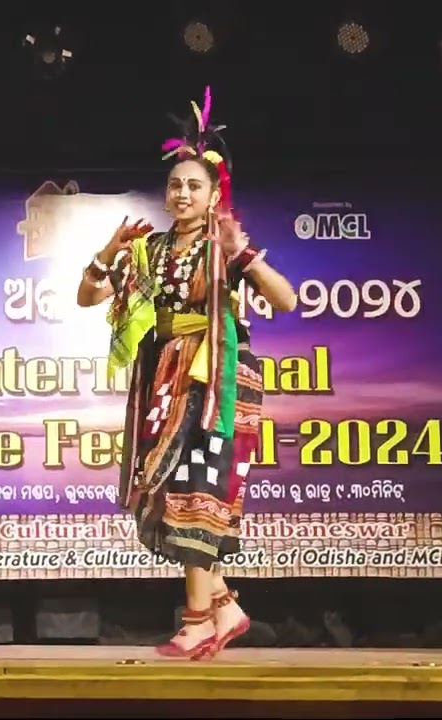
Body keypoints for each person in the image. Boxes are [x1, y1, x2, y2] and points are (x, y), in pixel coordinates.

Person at [76, 87, 297, 660]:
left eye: (194, 186)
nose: (182, 193)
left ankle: (198, 620)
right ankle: (225, 606)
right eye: (175, 184)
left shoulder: (225, 247)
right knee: (168, 490)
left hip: (216, 378)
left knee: (198, 490)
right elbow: (88, 297)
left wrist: (244, 255)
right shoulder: (149, 250)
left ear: (214, 194)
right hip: (166, 377)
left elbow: (286, 299)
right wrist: (108, 250)